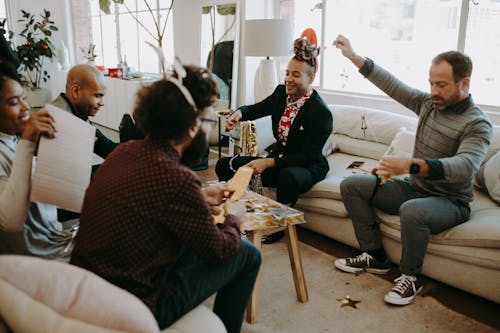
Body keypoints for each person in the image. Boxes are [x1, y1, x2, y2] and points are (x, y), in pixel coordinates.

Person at [70, 64, 261, 333]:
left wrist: (198, 196)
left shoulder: (125, 152)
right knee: (247, 254)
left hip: (89, 290)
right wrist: (233, 218)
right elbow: (220, 251)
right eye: (207, 121)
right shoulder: (176, 179)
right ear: (192, 126)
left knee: (188, 238)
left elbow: (151, 201)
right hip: (135, 308)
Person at [332, 35, 492, 305]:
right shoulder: (429, 104)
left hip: (450, 203)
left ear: (464, 83)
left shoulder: (477, 124)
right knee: (352, 185)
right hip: (415, 189)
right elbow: (393, 85)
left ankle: (411, 277)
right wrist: (353, 56)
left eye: (441, 85)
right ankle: (375, 256)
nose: (433, 91)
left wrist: (410, 165)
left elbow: (465, 167)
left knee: (413, 209)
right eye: (431, 83)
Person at [215, 37, 333, 243]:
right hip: (279, 158)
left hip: (306, 166)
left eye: (296, 75)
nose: (288, 79)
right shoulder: (281, 93)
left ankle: (278, 224)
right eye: (287, 73)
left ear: (311, 77)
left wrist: (268, 162)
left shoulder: (320, 113)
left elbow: (307, 156)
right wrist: (238, 114)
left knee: (287, 177)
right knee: (225, 165)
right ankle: (230, 215)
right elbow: (256, 108)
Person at [0, 61, 76, 258]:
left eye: (23, 98)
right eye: (13, 102)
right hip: (40, 258)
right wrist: (27, 143)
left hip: (55, 239)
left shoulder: (11, 140)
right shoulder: (15, 145)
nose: (26, 107)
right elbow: (10, 221)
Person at [51, 64, 117, 159]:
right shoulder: (59, 120)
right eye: (97, 96)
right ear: (76, 91)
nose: (102, 103)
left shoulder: (75, 112)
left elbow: (108, 149)